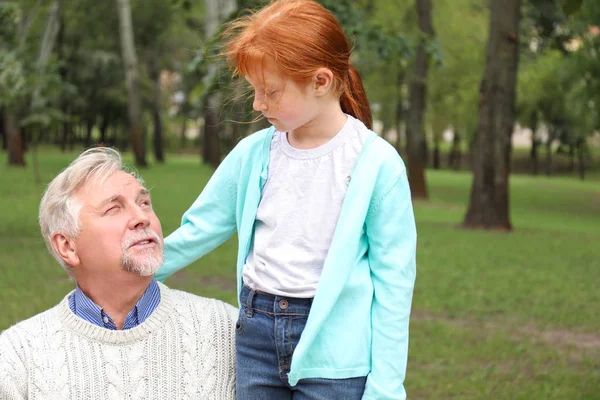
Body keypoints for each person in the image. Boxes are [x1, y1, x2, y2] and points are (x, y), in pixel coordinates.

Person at [156, 0, 417, 398]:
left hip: (337, 360)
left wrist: (386, 387)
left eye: (271, 91)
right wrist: (136, 272)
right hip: (255, 341)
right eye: (256, 91)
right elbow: (200, 229)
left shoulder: (378, 165)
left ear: (321, 81)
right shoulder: (253, 154)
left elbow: (394, 285)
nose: (259, 104)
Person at [0, 148, 237, 400]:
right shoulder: (17, 357)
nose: (141, 217)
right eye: (114, 209)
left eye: (144, 203)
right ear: (67, 246)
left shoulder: (226, 329)